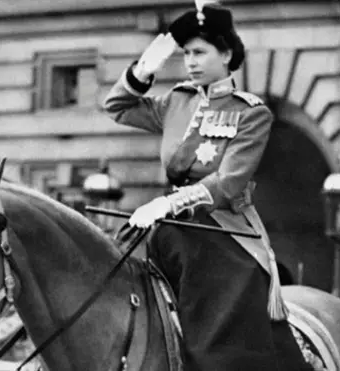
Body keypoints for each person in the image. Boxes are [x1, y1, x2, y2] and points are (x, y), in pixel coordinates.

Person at [102, 1, 311, 370]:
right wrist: (155, 56)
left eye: (200, 52)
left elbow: (229, 183)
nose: (191, 62)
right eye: (185, 54)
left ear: (227, 54)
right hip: (170, 228)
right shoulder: (176, 102)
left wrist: (169, 204)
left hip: (222, 231)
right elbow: (117, 105)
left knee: (220, 329)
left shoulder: (251, 113)